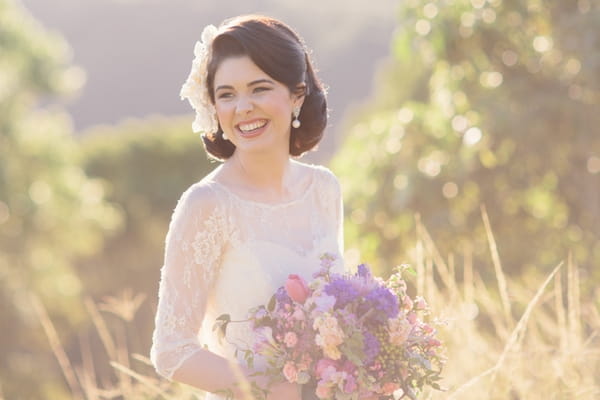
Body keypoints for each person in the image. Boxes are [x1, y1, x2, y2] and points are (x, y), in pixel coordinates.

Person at [150, 15, 345, 400]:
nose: (243, 108)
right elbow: (171, 351)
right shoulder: (206, 205)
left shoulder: (324, 188)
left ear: (297, 95)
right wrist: (278, 391)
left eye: (259, 88)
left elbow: (338, 311)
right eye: (226, 94)